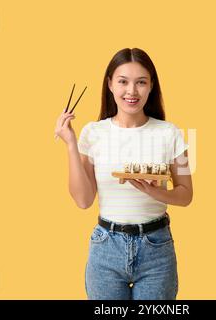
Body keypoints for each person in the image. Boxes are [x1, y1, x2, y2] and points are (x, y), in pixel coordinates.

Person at [54, 48, 193, 300]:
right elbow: (83, 200)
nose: (132, 91)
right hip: (106, 247)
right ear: (109, 84)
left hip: (157, 248)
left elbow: (186, 195)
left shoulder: (171, 133)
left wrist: (155, 191)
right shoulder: (92, 133)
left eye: (141, 82)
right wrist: (71, 144)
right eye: (123, 81)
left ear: (151, 86)